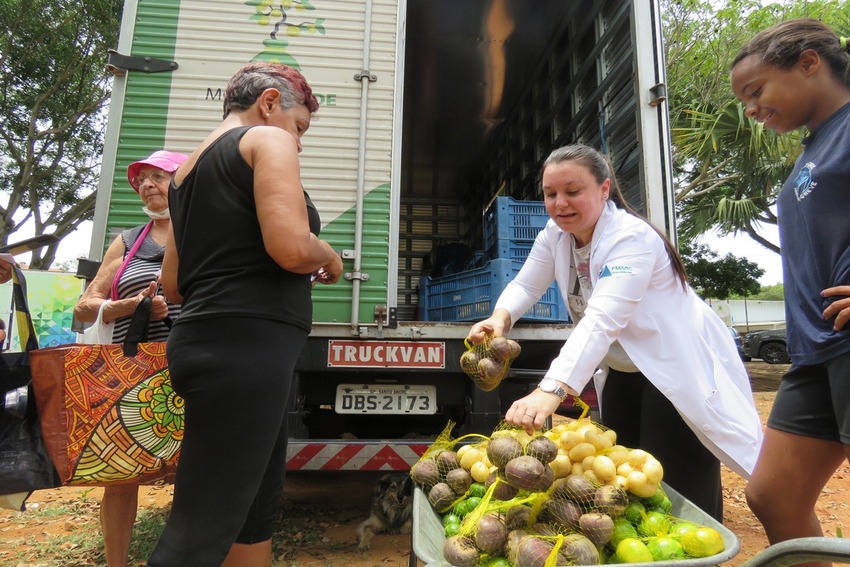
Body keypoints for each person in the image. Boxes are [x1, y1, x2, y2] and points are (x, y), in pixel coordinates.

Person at [466, 144, 763, 520]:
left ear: (604, 189)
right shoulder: (555, 235)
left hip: (673, 370)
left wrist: (552, 389)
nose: (560, 203)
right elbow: (526, 285)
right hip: (623, 370)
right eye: (550, 194)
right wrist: (500, 319)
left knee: (676, 483)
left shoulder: (630, 239)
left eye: (573, 192)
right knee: (622, 477)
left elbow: (603, 318)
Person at [150, 61, 343, 567]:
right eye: (299, 127)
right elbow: (291, 249)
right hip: (244, 348)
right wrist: (329, 255)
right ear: (270, 103)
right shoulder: (264, 140)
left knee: (254, 507)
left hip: (212, 342)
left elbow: (174, 283)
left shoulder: (185, 172)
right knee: (199, 528)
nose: (297, 143)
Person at [730, 18, 850, 554]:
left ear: (808, 62)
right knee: (774, 494)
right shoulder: (813, 148)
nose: (750, 109)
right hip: (815, 352)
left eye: (755, 91)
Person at [73, 150, 188, 567]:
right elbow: (84, 308)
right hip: (130, 372)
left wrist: (171, 309)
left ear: (181, 184)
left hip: (187, 369)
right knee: (120, 478)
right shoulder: (127, 242)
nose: (146, 184)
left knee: (190, 476)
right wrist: (128, 306)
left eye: (158, 176)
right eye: (142, 179)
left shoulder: (204, 235)